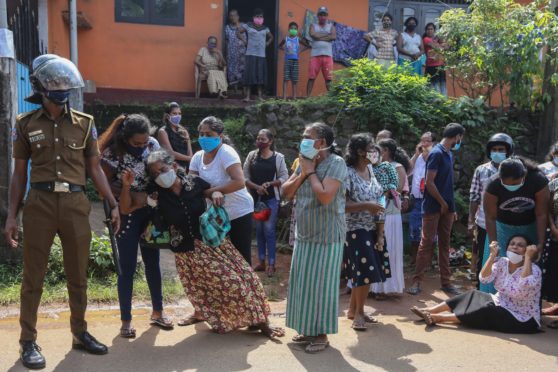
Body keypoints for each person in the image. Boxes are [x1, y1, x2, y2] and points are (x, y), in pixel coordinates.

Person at [4, 54, 120, 369]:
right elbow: (19, 174)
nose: (62, 87)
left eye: (64, 82)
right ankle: (28, 341)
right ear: (41, 87)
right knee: (33, 278)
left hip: (75, 205)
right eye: (55, 82)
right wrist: (12, 216)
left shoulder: (86, 124)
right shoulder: (24, 124)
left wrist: (112, 202)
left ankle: (80, 332)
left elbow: (95, 169)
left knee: (77, 275)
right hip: (39, 205)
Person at [120, 150, 285, 338]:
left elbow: (209, 192)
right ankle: (209, 315)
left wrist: (216, 192)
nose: (160, 176)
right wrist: (126, 187)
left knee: (244, 280)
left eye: (163, 170)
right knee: (202, 290)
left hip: (213, 243)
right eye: (155, 174)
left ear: (174, 166)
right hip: (186, 252)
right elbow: (126, 207)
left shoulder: (194, 184)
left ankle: (263, 323)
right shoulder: (156, 194)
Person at [99, 114, 172, 338]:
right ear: (125, 138)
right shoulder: (112, 153)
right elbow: (104, 185)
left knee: (153, 263)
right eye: (137, 143)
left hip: (150, 213)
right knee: (127, 267)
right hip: (125, 214)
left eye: (145, 142)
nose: (142, 146)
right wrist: (129, 195)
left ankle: (157, 312)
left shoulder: (153, 144)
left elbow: (162, 170)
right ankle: (126, 321)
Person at [282, 122, 347, 353]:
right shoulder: (302, 162)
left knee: (322, 286)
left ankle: (321, 334)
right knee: (303, 284)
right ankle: (308, 329)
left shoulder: (337, 164)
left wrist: (309, 172)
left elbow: (326, 196)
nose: (303, 140)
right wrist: (304, 170)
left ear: (321, 143)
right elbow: (285, 192)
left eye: (307, 137)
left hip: (328, 235)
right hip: (306, 232)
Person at [411, 235, 541, 334]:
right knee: (473, 294)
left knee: (487, 309)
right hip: (501, 302)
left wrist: (529, 258)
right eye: (512, 244)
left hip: (523, 318)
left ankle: (438, 318)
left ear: (527, 251)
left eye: (520, 245)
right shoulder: (502, 262)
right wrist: (492, 256)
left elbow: (524, 285)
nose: (515, 247)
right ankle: (429, 310)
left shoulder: (534, 270)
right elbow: (484, 278)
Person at [408, 123, 465, 295]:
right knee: (426, 244)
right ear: (456, 137)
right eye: (460, 138)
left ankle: (446, 282)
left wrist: (450, 207)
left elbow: (448, 184)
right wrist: (442, 202)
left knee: (445, 244)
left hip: (446, 207)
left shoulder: (448, 154)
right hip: (433, 207)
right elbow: (429, 182)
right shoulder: (436, 153)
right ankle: (417, 282)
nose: (460, 141)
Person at [189, 116, 254, 264]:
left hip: (238, 212)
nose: (204, 137)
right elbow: (191, 185)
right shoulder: (197, 157)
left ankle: (248, 287)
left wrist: (212, 192)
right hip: (215, 216)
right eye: (201, 134)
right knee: (219, 260)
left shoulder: (226, 153)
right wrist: (213, 193)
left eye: (209, 135)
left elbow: (239, 182)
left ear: (220, 137)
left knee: (241, 258)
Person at [481, 157, 549, 293]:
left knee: (527, 263)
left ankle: (524, 303)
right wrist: (494, 242)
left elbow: (541, 214)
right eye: (506, 184)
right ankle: (490, 301)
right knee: (496, 263)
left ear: (523, 176)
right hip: (501, 227)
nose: (511, 186)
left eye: (515, 183)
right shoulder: (493, 184)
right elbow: (490, 217)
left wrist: (540, 242)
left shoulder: (538, 180)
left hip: (530, 226)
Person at [343, 134, 388, 331]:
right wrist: (367, 206)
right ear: (360, 151)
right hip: (354, 229)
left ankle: (353, 309)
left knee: (367, 270)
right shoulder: (347, 173)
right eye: (371, 147)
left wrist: (380, 231)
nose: (375, 151)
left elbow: (379, 198)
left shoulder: (370, 169)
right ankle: (359, 313)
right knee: (364, 271)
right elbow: (342, 205)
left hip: (372, 228)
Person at [468, 133, 514, 288]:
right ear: (489, 151)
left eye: (501, 149)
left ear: (508, 151)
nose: (497, 152)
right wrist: (470, 221)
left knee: (507, 257)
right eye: (494, 149)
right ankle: (481, 289)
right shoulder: (481, 170)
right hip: (483, 223)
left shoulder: (515, 170)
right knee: (484, 257)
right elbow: (474, 197)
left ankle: (504, 289)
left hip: (507, 223)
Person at [243, 129, 289, 276]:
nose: (259, 142)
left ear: (270, 141)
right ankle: (262, 261)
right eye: (258, 138)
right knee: (260, 230)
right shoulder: (251, 156)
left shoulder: (278, 157)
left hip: (271, 200)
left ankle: (271, 263)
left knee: (269, 230)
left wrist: (269, 184)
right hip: (257, 200)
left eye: (263, 139)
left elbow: (284, 177)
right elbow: (244, 177)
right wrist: (257, 188)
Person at [371, 139, 410, 296]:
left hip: (390, 214)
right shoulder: (374, 167)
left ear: (386, 150)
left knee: (389, 248)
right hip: (375, 213)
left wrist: (383, 192)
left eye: (378, 149)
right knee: (376, 248)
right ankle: (374, 287)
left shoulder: (397, 167)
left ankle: (387, 287)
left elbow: (398, 189)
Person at [408, 132, 435, 265]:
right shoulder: (418, 157)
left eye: (427, 141)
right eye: (422, 141)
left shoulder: (436, 157)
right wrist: (416, 154)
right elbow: (407, 171)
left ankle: (428, 262)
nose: (424, 144)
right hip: (417, 200)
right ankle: (415, 260)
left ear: (433, 143)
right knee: (414, 230)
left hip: (430, 199)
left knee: (430, 231)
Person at [238, 8, 274, 102]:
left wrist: (267, 43)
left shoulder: (265, 28)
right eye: (257, 16)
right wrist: (244, 40)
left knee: (260, 75)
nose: (259, 18)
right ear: (254, 17)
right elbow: (238, 32)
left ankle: (260, 96)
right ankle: (247, 97)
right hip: (250, 53)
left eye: (261, 17)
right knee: (250, 75)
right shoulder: (248, 25)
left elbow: (271, 37)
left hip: (261, 55)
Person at [307, 6, 337, 96]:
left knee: (329, 79)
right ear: (318, 16)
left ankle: (331, 98)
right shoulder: (313, 25)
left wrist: (318, 36)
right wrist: (327, 36)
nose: (323, 17)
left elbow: (333, 37)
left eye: (324, 15)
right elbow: (313, 35)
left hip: (328, 56)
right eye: (321, 15)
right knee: (311, 77)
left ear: (327, 16)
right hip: (315, 56)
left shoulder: (331, 26)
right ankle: (308, 98)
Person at [157, 102, 193, 170]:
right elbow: (170, 153)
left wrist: (190, 159)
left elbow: (190, 152)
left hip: (186, 168)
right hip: (172, 169)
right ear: (167, 116)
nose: (178, 116)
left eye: (179, 113)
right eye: (174, 113)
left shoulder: (184, 132)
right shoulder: (163, 131)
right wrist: (190, 158)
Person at [279, 22, 309, 99]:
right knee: (286, 78)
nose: (293, 30)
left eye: (295, 29)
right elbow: (279, 46)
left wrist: (300, 51)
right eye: (292, 28)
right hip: (287, 60)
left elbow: (307, 46)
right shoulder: (285, 39)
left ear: (297, 30)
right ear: (289, 29)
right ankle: (284, 96)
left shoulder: (298, 39)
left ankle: (294, 96)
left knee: (294, 79)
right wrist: (284, 50)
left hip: (295, 61)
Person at [542, 176, 558, 321]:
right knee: (555, 273)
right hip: (556, 236)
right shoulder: (554, 183)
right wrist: (553, 227)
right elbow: (547, 209)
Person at [224, 9, 246, 92]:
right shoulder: (227, 28)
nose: (232, 17)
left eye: (234, 15)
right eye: (231, 15)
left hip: (242, 53)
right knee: (232, 71)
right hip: (231, 54)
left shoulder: (244, 26)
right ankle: (235, 90)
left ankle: (244, 91)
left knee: (243, 71)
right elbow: (226, 40)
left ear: (238, 16)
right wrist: (227, 52)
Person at [423, 23, 446, 95]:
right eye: (428, 29)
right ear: (426, 31)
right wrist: (442, 46)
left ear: (434, 30)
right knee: (433, 86)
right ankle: (434, 103)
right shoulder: (426, 39)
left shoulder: (438, 41)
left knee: (442, 84)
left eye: (431, 29)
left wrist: (442, 45)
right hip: (431, 66)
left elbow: (448, 46)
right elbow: (438, 48)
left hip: (441, 65)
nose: (430, 31)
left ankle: (443, 102)